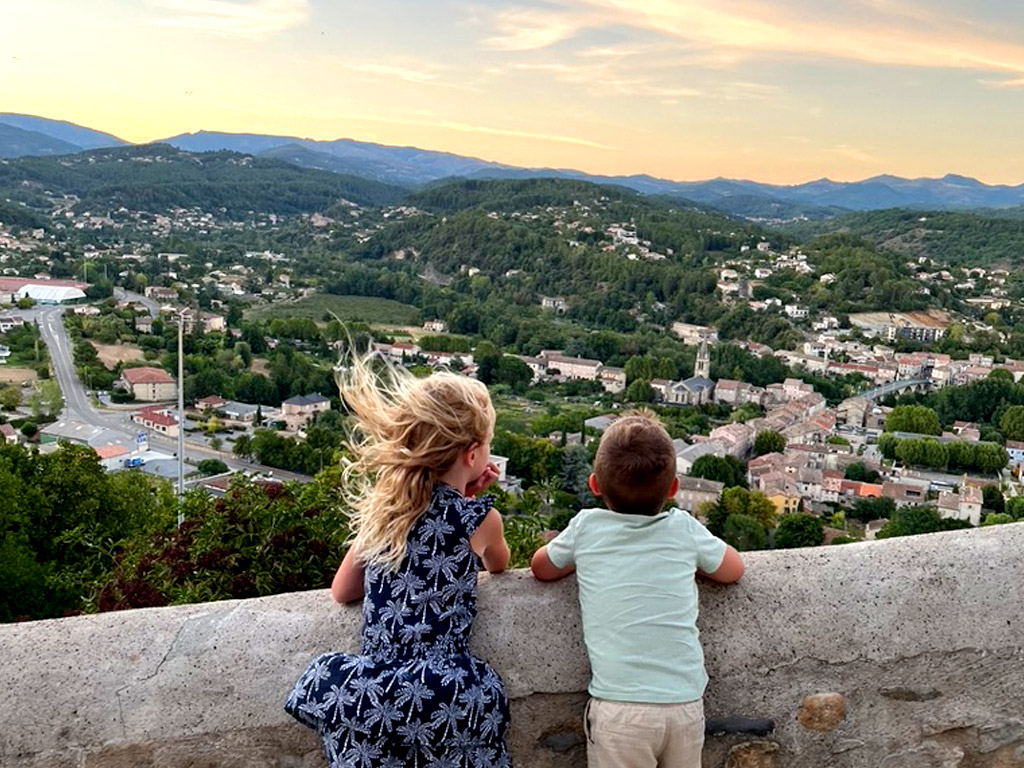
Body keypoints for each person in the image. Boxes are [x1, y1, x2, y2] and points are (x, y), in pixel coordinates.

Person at [285, 354, 512, 768]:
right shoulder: (479, 518)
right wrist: (471, 502)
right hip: (443, 691)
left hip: (374, 691)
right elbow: (498, 563)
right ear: (474, 454)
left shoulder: (386, 513)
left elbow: (343, 591)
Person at [531, 410, 745, 768]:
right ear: (674, 488)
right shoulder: (683, 529)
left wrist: (580, 556)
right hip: (684, 707)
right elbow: (734, 570)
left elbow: (541, 568)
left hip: (619, 712)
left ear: (595, 485)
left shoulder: (586, 527)